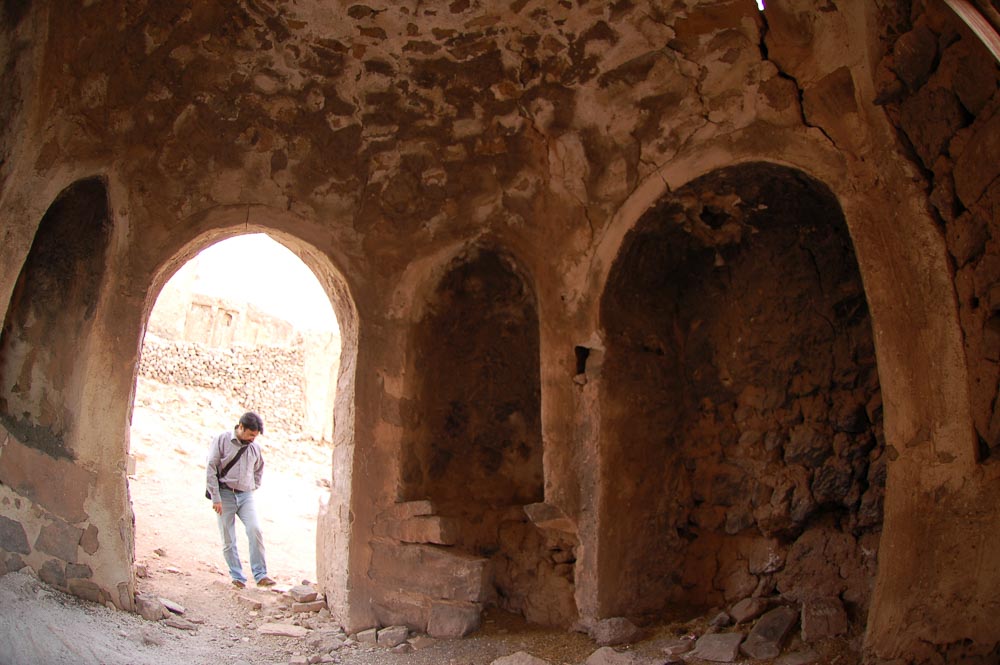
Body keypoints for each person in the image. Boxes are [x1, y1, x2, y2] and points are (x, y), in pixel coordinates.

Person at [205, 411, 276, 588]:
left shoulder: (254, 448)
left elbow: (259, 468)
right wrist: (216, 498)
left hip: (246, 496)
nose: (253, 438)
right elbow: (211, 468)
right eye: (251, 434)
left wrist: (253, 485)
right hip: (224, 495)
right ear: (241, 427)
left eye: (256, 436)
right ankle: (237, 576)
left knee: (255, 530)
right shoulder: (221, 440)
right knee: (228, 537)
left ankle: (261, 575)